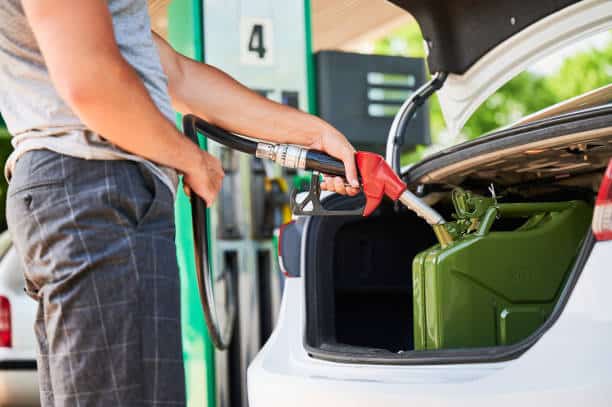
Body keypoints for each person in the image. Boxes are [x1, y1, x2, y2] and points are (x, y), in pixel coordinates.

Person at [0, 0, 359, 405]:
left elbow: (178, 76)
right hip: (96, 188)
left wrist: (313, 135)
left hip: (89, 191)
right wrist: (190, 159)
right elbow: (90, 80)